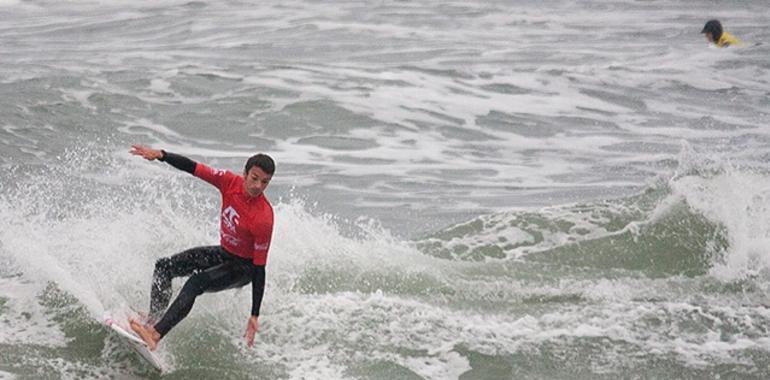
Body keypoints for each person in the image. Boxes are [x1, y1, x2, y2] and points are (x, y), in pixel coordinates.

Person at [127, 144, 275, 351]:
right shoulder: (229, 182)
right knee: (164, 266)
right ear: (245, 173)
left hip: (244, 268)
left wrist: (254, 314)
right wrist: (162, 155)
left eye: (265, 182)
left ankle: (155, 335)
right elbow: (193, 167)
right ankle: (153, 320)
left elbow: (260, 268)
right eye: (255, 178)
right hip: (225, 253)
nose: (258, 185)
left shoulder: (263, 218)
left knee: (196, 282)